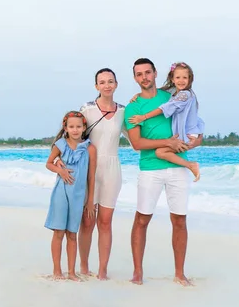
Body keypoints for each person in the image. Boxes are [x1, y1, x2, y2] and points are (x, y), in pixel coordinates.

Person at [124, 58, 203, 287]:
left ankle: (180, 273)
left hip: (178, 166)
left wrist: (195, 142)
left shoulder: (173, 95)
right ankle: (137, 273)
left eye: (148, 72)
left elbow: (194, 125)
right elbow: (137, 143)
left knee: (179, 220)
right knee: (142, 219)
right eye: (139, 74)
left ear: (156, 73)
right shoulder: (133, 107)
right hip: (150, 169)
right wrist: (167, 141)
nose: (144, 77)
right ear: (135, 78)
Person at [77, 68, 127, 280]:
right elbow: (75, 136)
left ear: (116, 84)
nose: (107, 85)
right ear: (96, 86)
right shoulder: (87, 109)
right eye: (102, 82)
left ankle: (103, 270)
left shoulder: (124, 111)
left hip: (112, 168)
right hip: (89, 167)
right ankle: (84, 266)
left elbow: (136, 139)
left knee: (105, 221)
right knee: (87, 220)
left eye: (110, 81)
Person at [128, 62, 204, 181]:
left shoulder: (183, 95)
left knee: (160, 152)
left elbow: (164, 108)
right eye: (178, 77)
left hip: (185, 142)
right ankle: (190, 165)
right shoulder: (175, 93)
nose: (181, 80)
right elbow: (136, 143)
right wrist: (139, 94)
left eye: (185, 77)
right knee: (161, 152)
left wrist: (143, 117)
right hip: (150, 169)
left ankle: (190, 165)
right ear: (172, 79)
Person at [44, 111, 97, 281]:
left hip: (78, 196)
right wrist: (60, 170)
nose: (75, 130)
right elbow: (48, 163)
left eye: (78, 127)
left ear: (84, 128)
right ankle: (57, 271)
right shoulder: (60, 145)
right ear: (65, 128)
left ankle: (72, 272)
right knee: (59, 232)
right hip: (61, 193)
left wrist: (90, 201)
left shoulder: (90, 148)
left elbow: (91, 176)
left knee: (72, 234)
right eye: (71, 126)